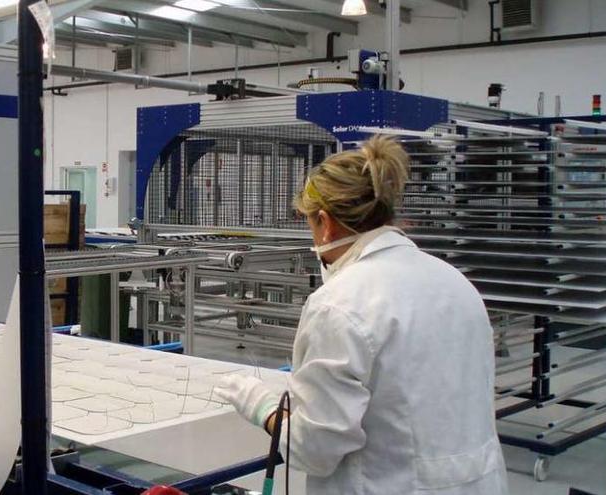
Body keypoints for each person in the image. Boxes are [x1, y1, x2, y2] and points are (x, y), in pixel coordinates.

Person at [216, 136, 508, 494]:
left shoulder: (340, 303)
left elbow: (315, 450)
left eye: (310, 224)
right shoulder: (454, 282)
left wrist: (260, 405)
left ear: (325, 223)